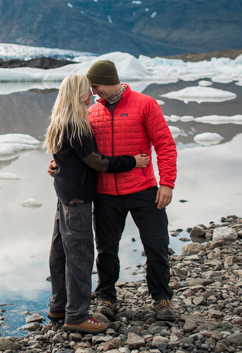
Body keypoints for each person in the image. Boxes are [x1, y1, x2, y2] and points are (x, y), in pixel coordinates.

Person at [48, 59, 178, 321]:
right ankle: (107, 297)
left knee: (156, 246)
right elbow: (78, 148)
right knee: (106, 249)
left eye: (95, 87)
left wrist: (167, 183)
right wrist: (56, 163)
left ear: (109, 80)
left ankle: (161, 298)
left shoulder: (145, 104)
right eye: (90, 89)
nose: (94, 93)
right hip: (105, 193)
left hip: (143, 189)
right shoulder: (92, 112)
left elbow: (164, 143)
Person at [44, 74, 150, 333]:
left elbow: (66, 159)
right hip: (78, 198)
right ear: (78, 93)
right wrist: (132, 161)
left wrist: (57, 167)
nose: (91, 94)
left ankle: (59, 305)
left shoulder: (59, 121)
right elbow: (97, 161)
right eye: (87, 91)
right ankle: (76, 316)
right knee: (80, 256)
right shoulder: (76, 125)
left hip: (64, 195)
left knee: (60, 252)